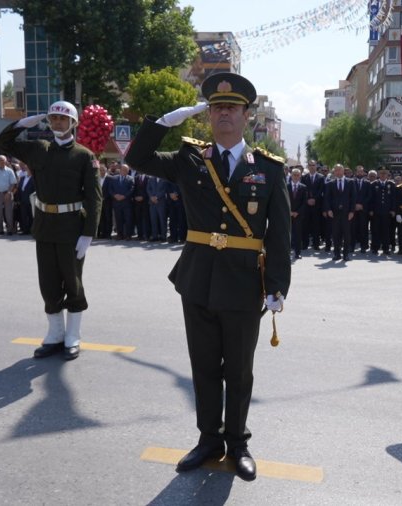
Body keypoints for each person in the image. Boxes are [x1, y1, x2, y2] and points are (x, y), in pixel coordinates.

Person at [125, 72, 291, 482]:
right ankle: (207, 439)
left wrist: (277, 286)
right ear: (206, 116)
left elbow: (281, 233)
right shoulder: (189, 158)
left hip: (243, 283)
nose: (224, 115)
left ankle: (237, 443)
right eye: (217, 108)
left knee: (238, 369)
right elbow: (136, 159)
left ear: (247, 116)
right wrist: (163, 123)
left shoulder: (268, 170)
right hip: (197, 279)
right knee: (202, 366)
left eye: (232, 108)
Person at [0, 100, 102, 361]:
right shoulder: (38, 149)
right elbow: (3, 144)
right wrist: (22, 123)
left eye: (62, 119)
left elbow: (94, 198)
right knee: (48, 284)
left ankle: (73, 337)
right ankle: (55, 335)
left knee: (73, 283)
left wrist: (88, 234)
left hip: (71, 228)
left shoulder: (84, 155)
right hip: (45, 226)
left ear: (73, 123)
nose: (57, 123)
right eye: (53, 118)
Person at [323, 163, 355, 261]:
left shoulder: (350, 182)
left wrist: (352, 211)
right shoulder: (330, 184)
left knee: (346, 234)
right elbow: (327, 198)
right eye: (336, 170)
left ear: (343, 171)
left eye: (339, 170)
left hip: (346, 213)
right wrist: (328, 210)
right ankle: (337, 254)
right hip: (334, 213)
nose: (337, 172)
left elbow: (353, 198)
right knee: (336, 234)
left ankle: (346, 254)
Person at [0, 155, 17, 235]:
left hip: (7, 193)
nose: (1, 162)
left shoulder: (10, 171)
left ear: (6, 161)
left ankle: (10, 230)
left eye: (3, 160)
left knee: (9, 212)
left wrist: (9, 192)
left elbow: (13, 183)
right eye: (0, 160)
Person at [371, 168, 396, 255]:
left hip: (387, 212)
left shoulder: (391, 184)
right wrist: (371, 210)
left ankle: (386, 248)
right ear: (378, 174)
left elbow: (393, 198)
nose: (383, 175)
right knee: (375, 230)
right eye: (381, 173)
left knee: (386, 230)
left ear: (387, 175)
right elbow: (371, 198)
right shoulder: (374, 184)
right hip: (376, 211)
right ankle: (375, 247)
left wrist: (393, 210)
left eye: (385, 174)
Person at [351, 165, 372, 254]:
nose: (360, 173)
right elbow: (350, 195)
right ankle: (351, 246)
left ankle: (364, 246)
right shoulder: (351, 182)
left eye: (361, 171)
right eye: (358, 171)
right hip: (353, 209)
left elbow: (369, 196)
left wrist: (361, 205)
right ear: (356, 172)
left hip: (363, 209)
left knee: (364, 228)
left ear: (363, 173)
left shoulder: (368, 183)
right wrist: (355, 205)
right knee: (352, 228)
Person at [288, 168, 308, 259]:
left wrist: (297, 212)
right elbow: (284, 201)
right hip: (288, 214)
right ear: (291, 175)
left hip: (299, 215)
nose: (296, 176)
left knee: (298, 234)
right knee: (287, 234)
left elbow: (304, 202)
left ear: (300, 176)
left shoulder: (303, 187)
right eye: (294, 174)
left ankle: (297, 253)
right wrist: (290, 212)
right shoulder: (286, 186)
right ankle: (287, 252)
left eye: (297, 175)